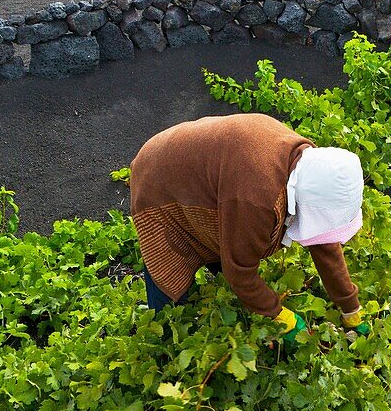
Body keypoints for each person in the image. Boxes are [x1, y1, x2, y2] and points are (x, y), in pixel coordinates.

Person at [130, 113, 369, 342]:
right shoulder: (257, 199)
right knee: (172, 289)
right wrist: (280, 316)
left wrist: (350, 306)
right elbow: (240, 271)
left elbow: (324, 243)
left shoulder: (312, 169)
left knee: (228, 241)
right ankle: (160, 343)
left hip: (207, 176)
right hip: (157, 179)